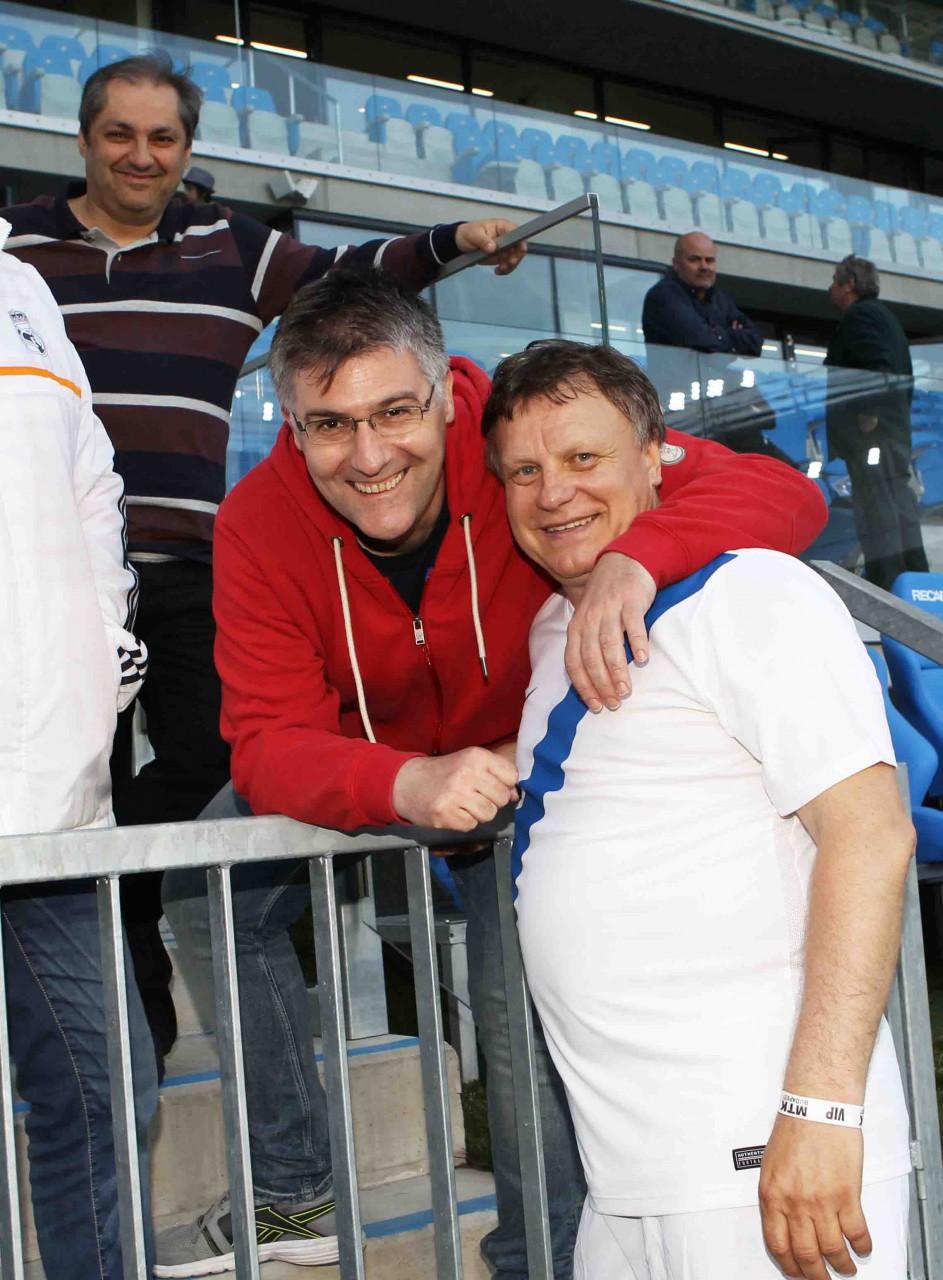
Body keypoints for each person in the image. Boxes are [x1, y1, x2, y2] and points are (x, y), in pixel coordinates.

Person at [157, 268, 828, 1278]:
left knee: (515, 1013)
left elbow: (781, 491)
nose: (369, 455)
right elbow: (265, 737)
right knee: (205, 891)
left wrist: (640, 554)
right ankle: (293, 1197)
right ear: (288, 423)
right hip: (379, 762)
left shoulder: (516, 438)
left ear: (443, 395)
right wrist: (401, 783)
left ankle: (536, 1258)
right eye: (329, 425)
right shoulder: (258, 519)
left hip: (521, 766)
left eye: (394, 412)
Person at [1, 51, 524, 1075]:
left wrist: (451, 240)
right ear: (84, 140)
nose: (142, 155)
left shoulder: (232, 247)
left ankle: (130, 868)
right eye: (120, 134)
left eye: (163, 137)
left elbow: (355, 278)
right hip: (54, 578)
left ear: (187, 149)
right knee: (74, 791)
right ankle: (131, 1029)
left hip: (191, 561)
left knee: (202, 768)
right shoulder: (17, 247)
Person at [483, 339, 914, 1280]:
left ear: (655, 458)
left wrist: (820, 1109)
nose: (552, 493)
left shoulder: (750, 588)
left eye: (583, 457)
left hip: (764, 1167)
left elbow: (872, 835)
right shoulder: (556, 627)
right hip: (628, 1183)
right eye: (523, 471)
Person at [0, 216, 156, 1279]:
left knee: (108, 1089)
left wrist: (103, 644)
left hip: (53, 793)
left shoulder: (23, 289)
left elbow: (93, 484)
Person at [825, 254, 928, 591]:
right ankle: (914, 583)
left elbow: (877, 368)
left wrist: (868, 418)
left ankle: (889, 587)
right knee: (898, 507)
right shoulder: (886, 318)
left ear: (849, 285)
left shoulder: (860, 316)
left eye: (835, 281)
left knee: (877, 511)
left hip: (872, 437)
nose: (831, 289)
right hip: (891, 433)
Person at [642, 232, 780, 457]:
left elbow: (755, 342)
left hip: (720, 407)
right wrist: (728, 336)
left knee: (770, 464)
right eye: (695, 259)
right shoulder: (663, 296)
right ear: (676, 263)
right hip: (683, 411)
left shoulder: (719, 299)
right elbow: (701, 340)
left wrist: (716, 337)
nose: (704, 266)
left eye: (709, 260)